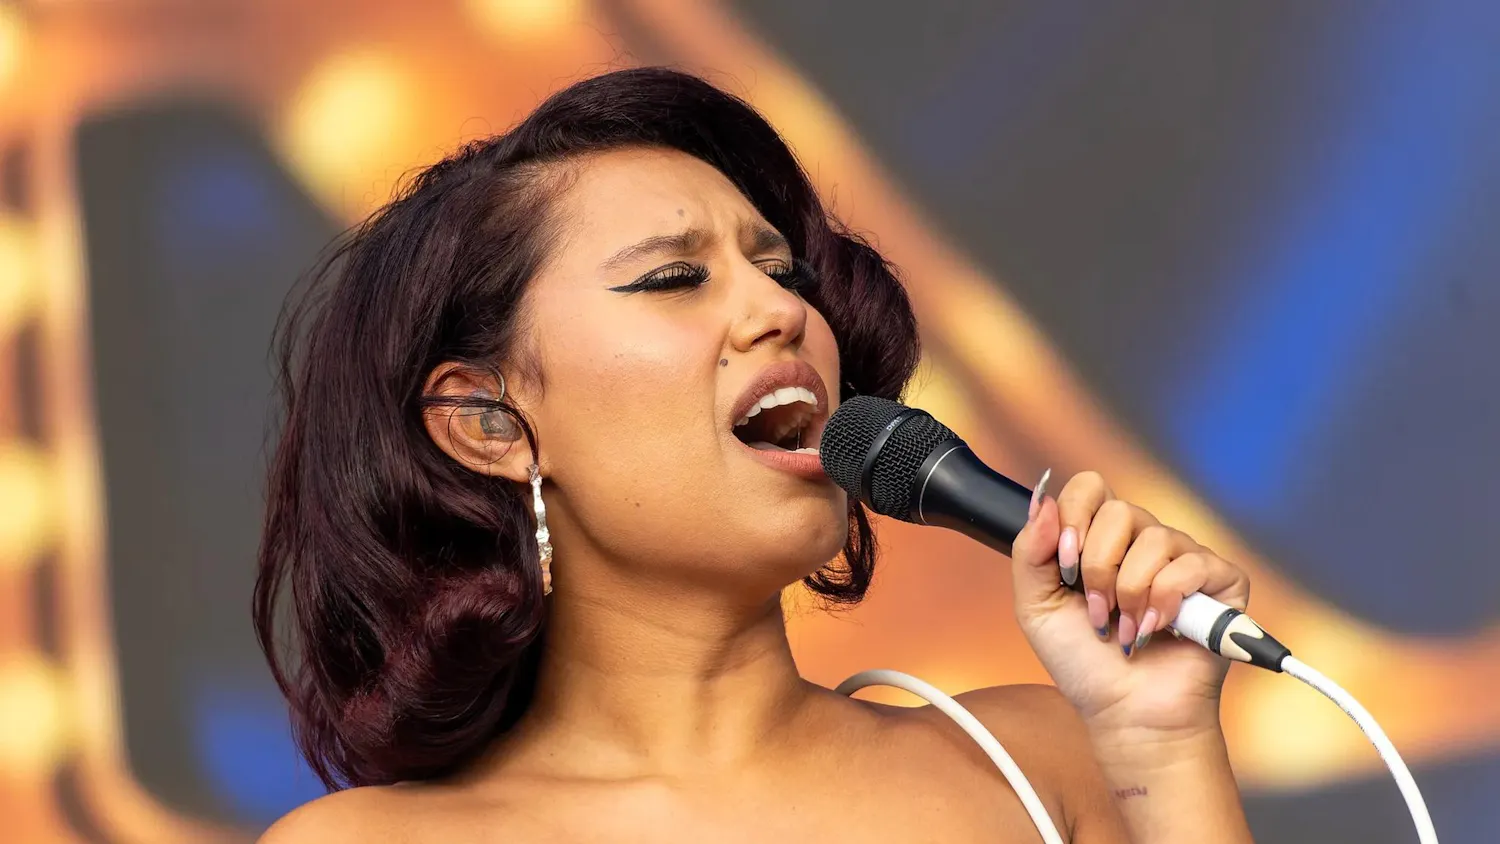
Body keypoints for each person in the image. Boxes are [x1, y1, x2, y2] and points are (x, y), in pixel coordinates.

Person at [255, 67, 1255, 842]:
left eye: (784, 271)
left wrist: (1160, 745)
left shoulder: (1036, 764)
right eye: (675, 276)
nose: (783, 310)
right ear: (489, 423)